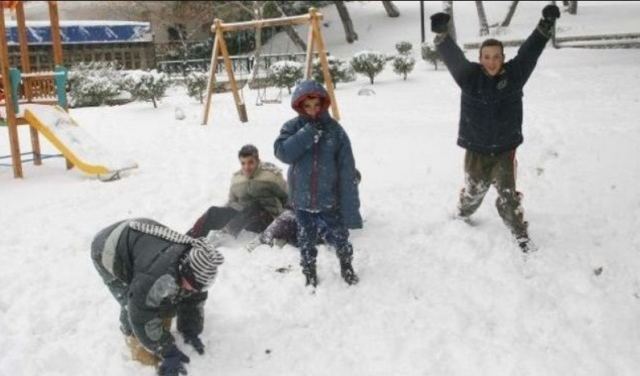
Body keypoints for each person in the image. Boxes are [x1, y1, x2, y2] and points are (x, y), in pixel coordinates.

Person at [431, 5, 561, 253]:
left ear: (503, 57)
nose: (492, 61)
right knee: (474, 191)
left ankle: (520, 233)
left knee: (508, 196)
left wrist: (545, 25)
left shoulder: (514, 75)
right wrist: (441, 35)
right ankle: (463, 212)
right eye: (486, 57)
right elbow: (453, 56)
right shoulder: (469, 77)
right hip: (476, 149)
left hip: (504, 150)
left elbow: (529, 52)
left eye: (496, 56)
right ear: (480, 59)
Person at [91, 219, 224, 376]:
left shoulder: (196, 265)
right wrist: (166, 350)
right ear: (184, 271)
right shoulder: (155, 276)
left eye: (200, 287)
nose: (196, 290)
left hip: (140, 238)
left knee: (169, 298)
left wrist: (191, 330)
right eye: (193, 285)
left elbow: (193, 299)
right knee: (131, 302)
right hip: (108, 248)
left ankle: (156, 334)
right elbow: (141, 314)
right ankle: (132, 337)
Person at [274, 80, 362, 287]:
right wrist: (307, 134)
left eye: (316, 105)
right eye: (307, 106)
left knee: (340, 236)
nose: (313, 111)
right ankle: (309, 270)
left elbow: (346, 170)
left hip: (328, 200)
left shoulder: (335, 132)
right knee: (306, 239)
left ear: (323, 104)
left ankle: (346, 264)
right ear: (300, 106)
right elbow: (283, 153)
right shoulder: (292, 127)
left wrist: (350, 208)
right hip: (302, 201)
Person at [187, 144, 288, 243]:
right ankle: (189, 238)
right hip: (243, 220)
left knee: (253, 207)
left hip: (268, 220)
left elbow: (287, 197)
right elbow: (231, 202)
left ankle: (224, 237)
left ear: (257, 161)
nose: (247, 167)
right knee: (213, 211)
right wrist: (220, 216)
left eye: (250, 162)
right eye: (243, 163)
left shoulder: (271, 176)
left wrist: (282, 222)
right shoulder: (237, 179)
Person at [245, 169, 362, 252]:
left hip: (316, 234)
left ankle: (270, 240)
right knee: (288, 217)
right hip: (300, 224)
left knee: (290, 219)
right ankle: (268, 240)